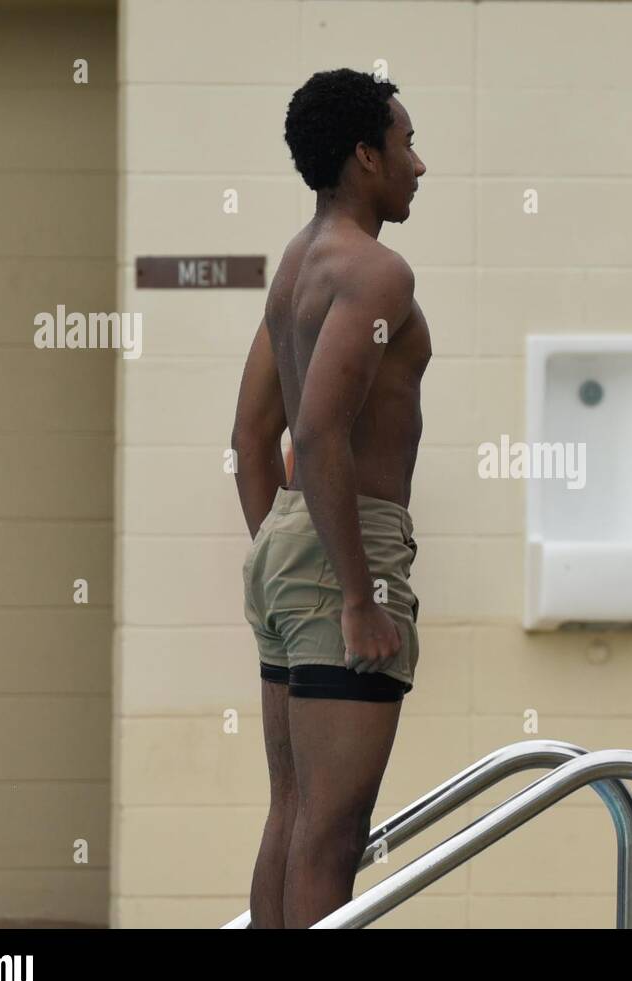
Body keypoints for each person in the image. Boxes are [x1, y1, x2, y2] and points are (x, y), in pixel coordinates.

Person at [230, 68, 429, 928]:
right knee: (333, 834)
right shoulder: (377, 270)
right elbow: (314, 435)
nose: (419, 164)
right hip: (346, 553)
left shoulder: (296, 264)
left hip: (289, 542)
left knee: (292, 815)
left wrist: (289, 549)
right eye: (406, 143)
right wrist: (352, 594)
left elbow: (249, 441)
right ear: (364, 155)